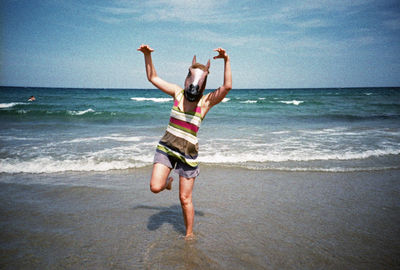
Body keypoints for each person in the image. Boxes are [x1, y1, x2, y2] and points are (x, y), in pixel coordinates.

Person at [137, 44, 232, 239]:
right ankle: (167, 182)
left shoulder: (205, 103)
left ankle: (189, 235)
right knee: (155, 187)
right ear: (187, 78)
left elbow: (227, 87)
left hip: (188, 154)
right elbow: (153, 78)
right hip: (167, 148)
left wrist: (226, 60)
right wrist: (147, 55)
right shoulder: (177, 93)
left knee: (185, 198)